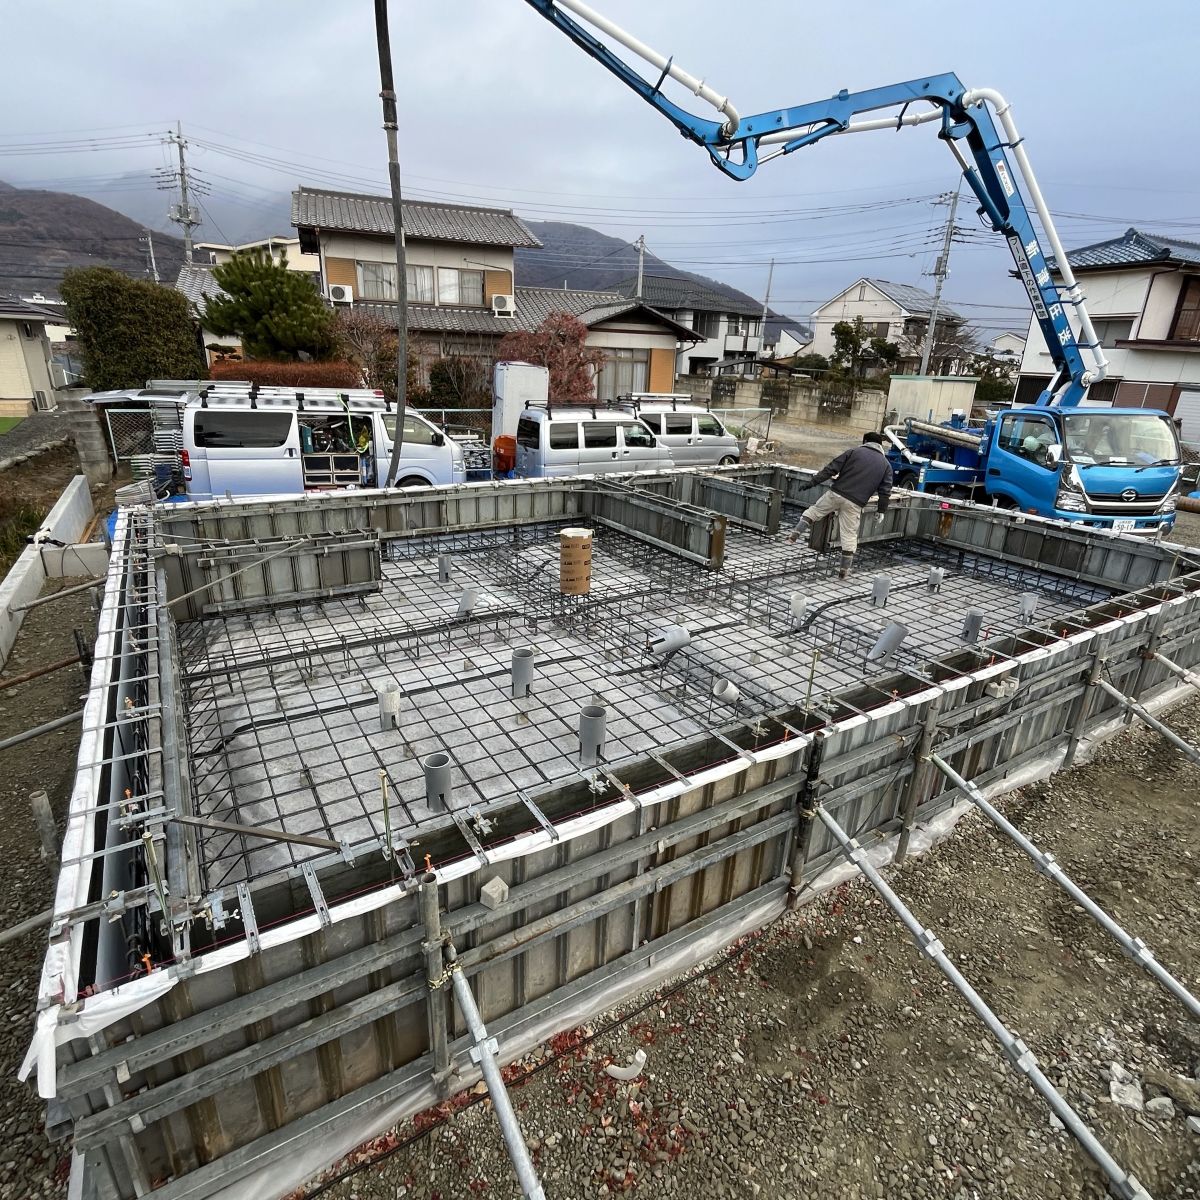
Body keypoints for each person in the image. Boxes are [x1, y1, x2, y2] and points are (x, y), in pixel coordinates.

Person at [788, 431, 893, 578]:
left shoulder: (854, 452)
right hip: (855, 503)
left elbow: (831, 469)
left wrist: (812, 482)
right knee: (849, 535)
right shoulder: (886, 465)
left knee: (815, 511)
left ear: (866, 441)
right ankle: (844, 570)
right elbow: (885, 491)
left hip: (837, 493)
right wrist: (881, 510)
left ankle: (794, 535)